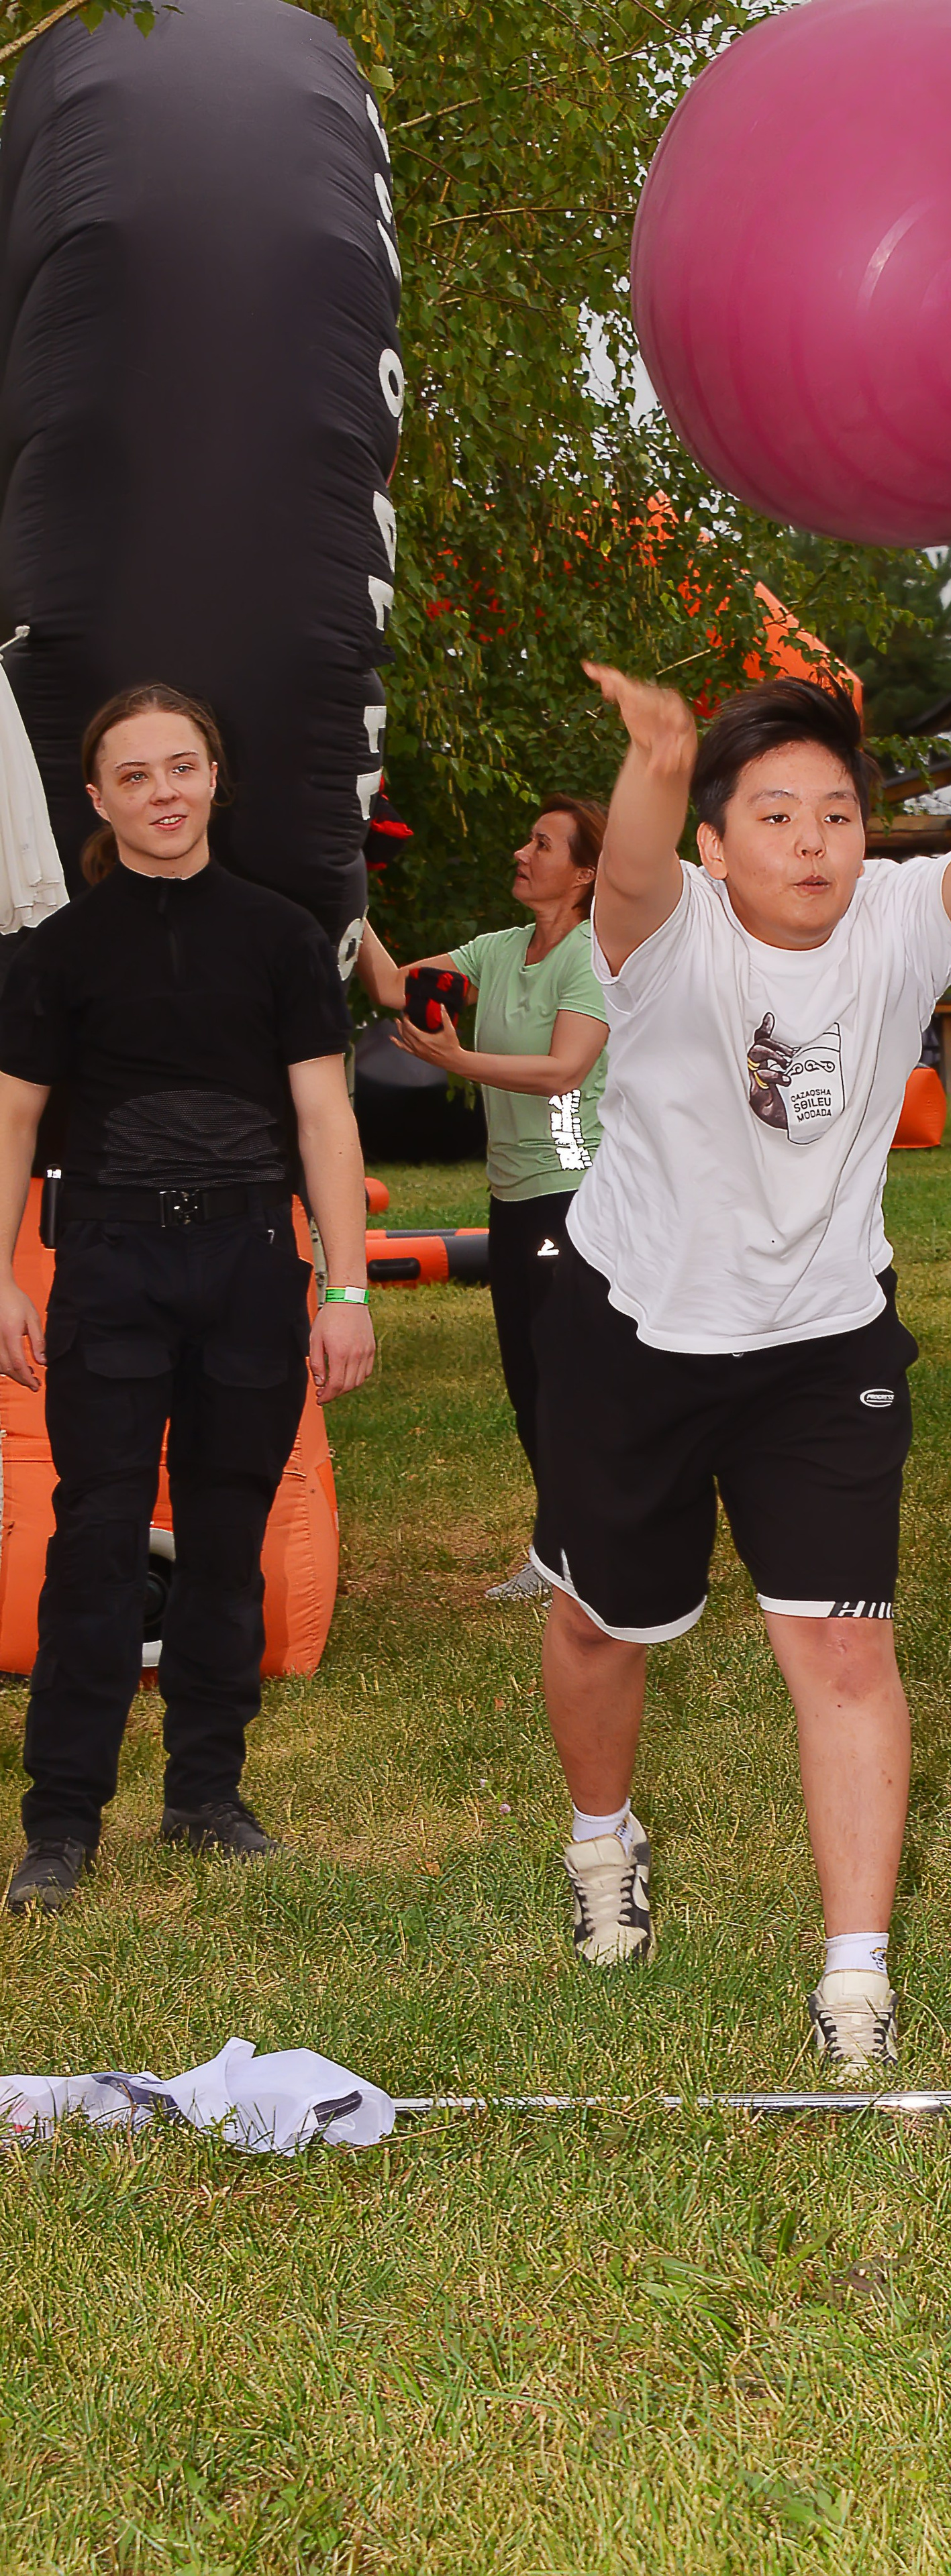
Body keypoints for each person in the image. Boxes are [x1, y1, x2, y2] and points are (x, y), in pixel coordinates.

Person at [532, 663, 951, 2071]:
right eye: (773, 814)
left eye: (834, 813)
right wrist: (655, 758)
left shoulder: (892, 920)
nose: (813, 841)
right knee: (603, 1626)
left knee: (840, 1644)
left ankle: (854, 1982)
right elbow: (628, 871)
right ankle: (600, 1842)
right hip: (635, 1327)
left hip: (821, 1341)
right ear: (717, 840)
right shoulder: (669, 924)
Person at [0, 684, 374, 1913]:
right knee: (96, 1541)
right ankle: (60, 1824)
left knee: (226, 1544)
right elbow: (10, 1123)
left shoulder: (279, 935)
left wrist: (347, 1284)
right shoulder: (53, 954)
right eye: (136, 774)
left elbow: (326, 1117)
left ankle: (207, 1796)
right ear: (98, 798)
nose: (164, 792)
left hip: (251, 1271)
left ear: (216, 778)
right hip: (107, 1270)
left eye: (184, 766)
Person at [356, 798, 609, 1599]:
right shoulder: (498, 949)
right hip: (514, 1195)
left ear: (585, 873)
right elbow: (397, 986)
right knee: (529, 1377)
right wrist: (340, 885)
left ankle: (594, 1552)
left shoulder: (592, 956)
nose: (520, 852)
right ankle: (561, 1549)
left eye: (541, 843)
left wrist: (455, 1060)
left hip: (578, 1192)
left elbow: (564, 1069)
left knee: (571, 1377)